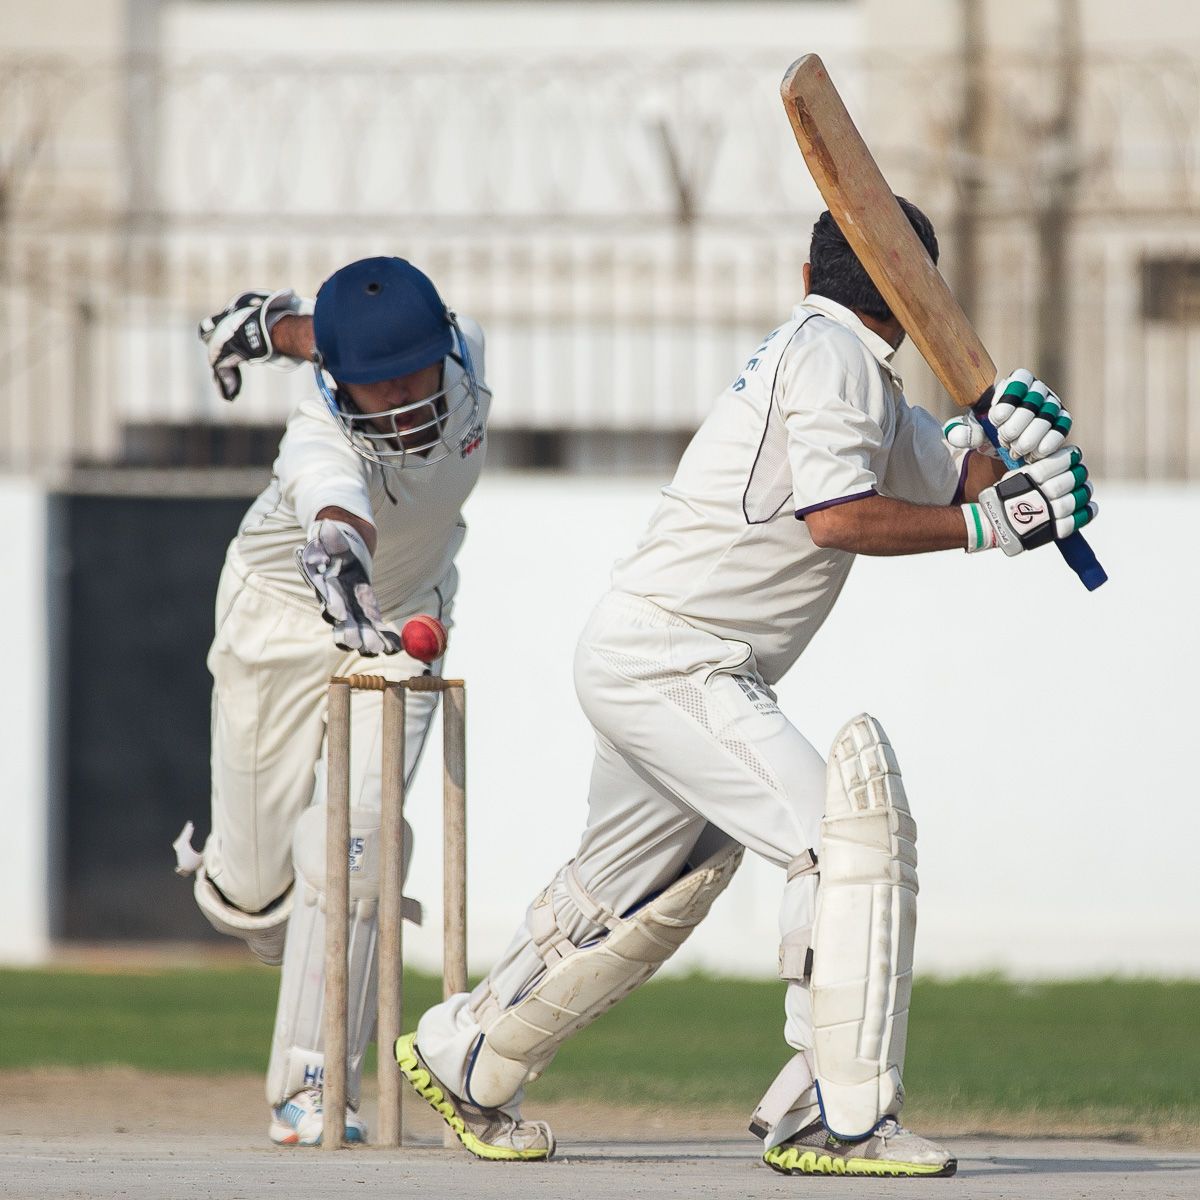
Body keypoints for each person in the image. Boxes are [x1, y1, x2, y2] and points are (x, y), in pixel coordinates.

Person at [395, 203, 1098, 1174]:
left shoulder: (852, 371)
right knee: (841, 844)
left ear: (806, 276)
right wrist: (994, 524)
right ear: (917, 296)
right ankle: (834, 1114)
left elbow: (961, 485)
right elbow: (839, 518)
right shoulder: (832, 359)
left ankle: (469, 1053)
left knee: (632, 891)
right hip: (676, 660)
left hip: (649, 650)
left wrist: (1021, 455)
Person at [172, 256, 491, 1146]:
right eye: (376, 385)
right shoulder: (317, 433)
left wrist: (268, 326)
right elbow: (336, 505)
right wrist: (339, 552)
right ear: (338, 382)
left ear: (444, 345)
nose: (401, 399)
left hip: (404, 619)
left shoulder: (466, 348)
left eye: (414, 374)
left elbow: (345, 335)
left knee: (356, 842)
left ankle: (314, 1086)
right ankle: (251, 900)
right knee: (254, 896)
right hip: (280, 614)